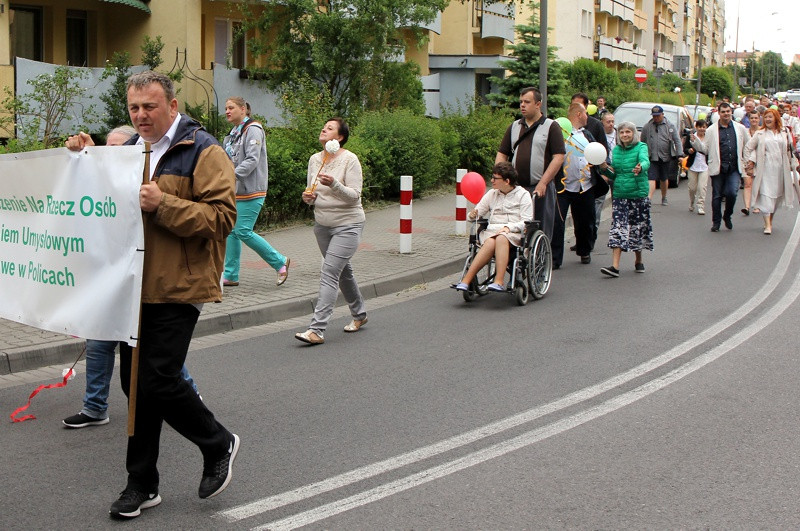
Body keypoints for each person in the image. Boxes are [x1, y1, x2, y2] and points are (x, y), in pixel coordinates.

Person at [66, 71, 240, 519]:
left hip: (180, 284)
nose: (141, 115)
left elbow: (223, 219)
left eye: (150, 106)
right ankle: (142, 484)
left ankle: (217, 442)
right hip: (132, 286)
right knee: (136, 385)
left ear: (172, 105)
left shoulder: (203, 150)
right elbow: (100, 197)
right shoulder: (127, 150)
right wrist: (83, 157)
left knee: (158, 378)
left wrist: (164, 204)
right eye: (134, 108)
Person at [61, 125, 199, 430]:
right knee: (98, 342)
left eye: (118, 148)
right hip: (108, 277)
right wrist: (85, 155)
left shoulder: (147, 184)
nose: (112, 153)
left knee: (156, 352)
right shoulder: (105, 181)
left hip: (140, 279)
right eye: (108, 147)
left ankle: (190, 398)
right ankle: (95, 407)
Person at [296, 117, 367, 345]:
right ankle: (360, 314)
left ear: (340, 137)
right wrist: (308, 197)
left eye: (330, 128)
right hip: (322, 226)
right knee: (343, 272)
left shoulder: (350, 159)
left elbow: (354, 195)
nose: (324, 130)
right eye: (323, 127)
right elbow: (312, 192)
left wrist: (334, 184)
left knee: (329, 272)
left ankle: (316, 329)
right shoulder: (315, 159)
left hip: (348, 224)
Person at [221, 97, 290, 288]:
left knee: (243, 231)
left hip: (252, 190)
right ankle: (231, 275)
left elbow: (252, 159)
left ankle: (280, 261)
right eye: (226, 108)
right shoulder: (233, 134)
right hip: (235, 190)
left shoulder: (253, 129)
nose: (227, 111)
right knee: (232, 232)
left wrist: (230, 175)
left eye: (231, 107)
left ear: (243, 109)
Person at [496, 87, 566, 247]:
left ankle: (540, 257)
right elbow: (502, 154)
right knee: (515, 227)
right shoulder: (514, 127)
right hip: (517, 189)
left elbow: (558, 157)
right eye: (521, 102)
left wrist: (543, 183)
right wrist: (500, 178)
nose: (522, 105)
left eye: (527, 102)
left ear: (538, 104)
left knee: (540, 227)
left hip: (539, 189)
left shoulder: (551, 127)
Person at [454, 162, 533, 292]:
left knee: (501, 237)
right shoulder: (492, 194)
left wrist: (509, 228)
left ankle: (499, 281)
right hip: (492, 232)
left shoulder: (523, 195)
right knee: (491, 241)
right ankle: (466, 281)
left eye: (495, 178)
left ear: (507, 181)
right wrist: (472, 215)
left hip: (513, 233)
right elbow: (477, 213)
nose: (491, 180)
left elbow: (526, 220)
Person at [599, 122, 652, 277]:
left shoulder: (641, 147)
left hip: (638, 194)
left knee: (637, 228)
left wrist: (640, 167)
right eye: (622, 132)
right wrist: (604, 168)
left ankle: (638, 259)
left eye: (628, 132)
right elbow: (614, 175)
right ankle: (615, 267)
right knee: (618, 228)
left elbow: (646, 161)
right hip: (620, 195)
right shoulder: (616, 150)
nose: (625, 135)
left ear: (634, 133)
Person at [551, 102, 601, 267]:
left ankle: (584, 250)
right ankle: (555, 258)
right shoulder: (560, 132)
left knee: (586, 221)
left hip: (584, 186)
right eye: (585, 112)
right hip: (563, 186)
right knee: (558, 222)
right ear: (578, 114)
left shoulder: (587, 134)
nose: (588, 116)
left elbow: (596, 152)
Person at [691, 102, 750, 231]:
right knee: (717, 196)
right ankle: (716, 222)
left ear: (731, 112)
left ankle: (727, 215)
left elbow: (748, 145)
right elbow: (705, 149)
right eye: (723, 112)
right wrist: (695, 143)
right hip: (718, 167)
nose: (726, 114)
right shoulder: (711, 130)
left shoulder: (740, 128)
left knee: (732, 193)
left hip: (734, 168)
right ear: (719, 113)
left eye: (728, 111)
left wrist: (747, 161)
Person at [744, 108, 800, 234]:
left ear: (776, 118)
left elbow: (790, 149)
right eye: (766, 117)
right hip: (765, 168)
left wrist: (794, 162)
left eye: (770, 117)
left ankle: (769, 221)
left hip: (780, 169)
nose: (768, 119)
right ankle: (767, 225)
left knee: (776, 198)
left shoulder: (784, 132)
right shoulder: (760, 133)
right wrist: (749, 163)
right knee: (766, 195)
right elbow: (748, 148)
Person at [640, 105, 683, 206]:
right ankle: (649, 198)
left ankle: (664, 197)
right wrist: (642, 155)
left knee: (664, 178)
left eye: (658, 116)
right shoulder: (647, 127)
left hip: (665, 157)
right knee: (651, 177)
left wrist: (679, 154)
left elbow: (677, 141)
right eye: (654, 116)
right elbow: (642, 142)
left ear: (662, 114)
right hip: (651, 157)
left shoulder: (670, 126)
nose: (656, 118)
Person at [684, 119, 709, 215]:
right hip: (693, 166)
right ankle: (692, 202)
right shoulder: (691, 137)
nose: (702, 129)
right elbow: (685, 149)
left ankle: (701, 206)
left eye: (703, 127)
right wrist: (689, 151)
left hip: (705, 166)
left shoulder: (708, 137)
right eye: (700, 127)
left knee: (702, 187)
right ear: (696, 127)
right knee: (692, 188)